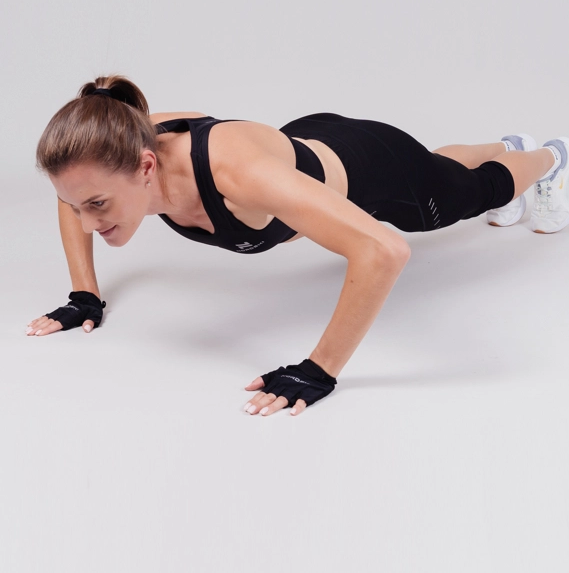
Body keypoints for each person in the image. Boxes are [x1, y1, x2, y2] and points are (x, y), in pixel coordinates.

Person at [26, 75, 569, 417]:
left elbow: (384, 251)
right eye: (78, 204)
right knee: (437, 171)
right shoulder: (115, 145)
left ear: (146, 167)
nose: (85, 219)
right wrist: (84, 295)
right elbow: (70, 192)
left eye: (96, 205)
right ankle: (502, 147)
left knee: (468, 193)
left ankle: (546, 159)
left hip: (372, 168)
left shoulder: (237, 177)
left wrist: (318, 370)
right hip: (311, 144)